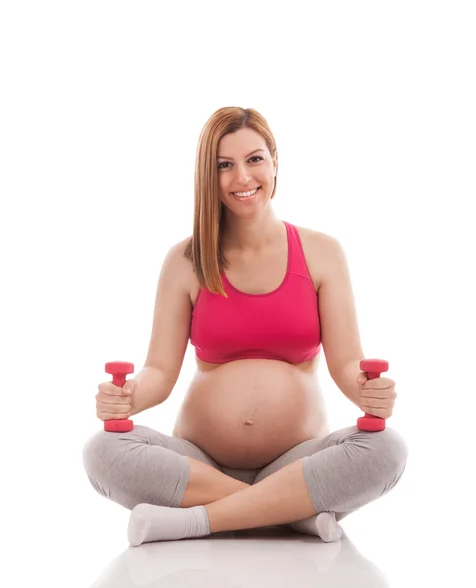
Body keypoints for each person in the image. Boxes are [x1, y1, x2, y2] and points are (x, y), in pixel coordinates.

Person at [82, 106, 408, 546]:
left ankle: (198, 521)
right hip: (198, 464)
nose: (242, 177)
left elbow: (348, 363)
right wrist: (128, 397)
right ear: (207, 175)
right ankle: (290, 513)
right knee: (102, 453)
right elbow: (158, 371)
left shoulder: (322, 252)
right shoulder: (185, 260)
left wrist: (368, 389)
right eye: (224, 165)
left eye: (254, 159)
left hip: (298, 462)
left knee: (387, 451)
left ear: (276, 162)